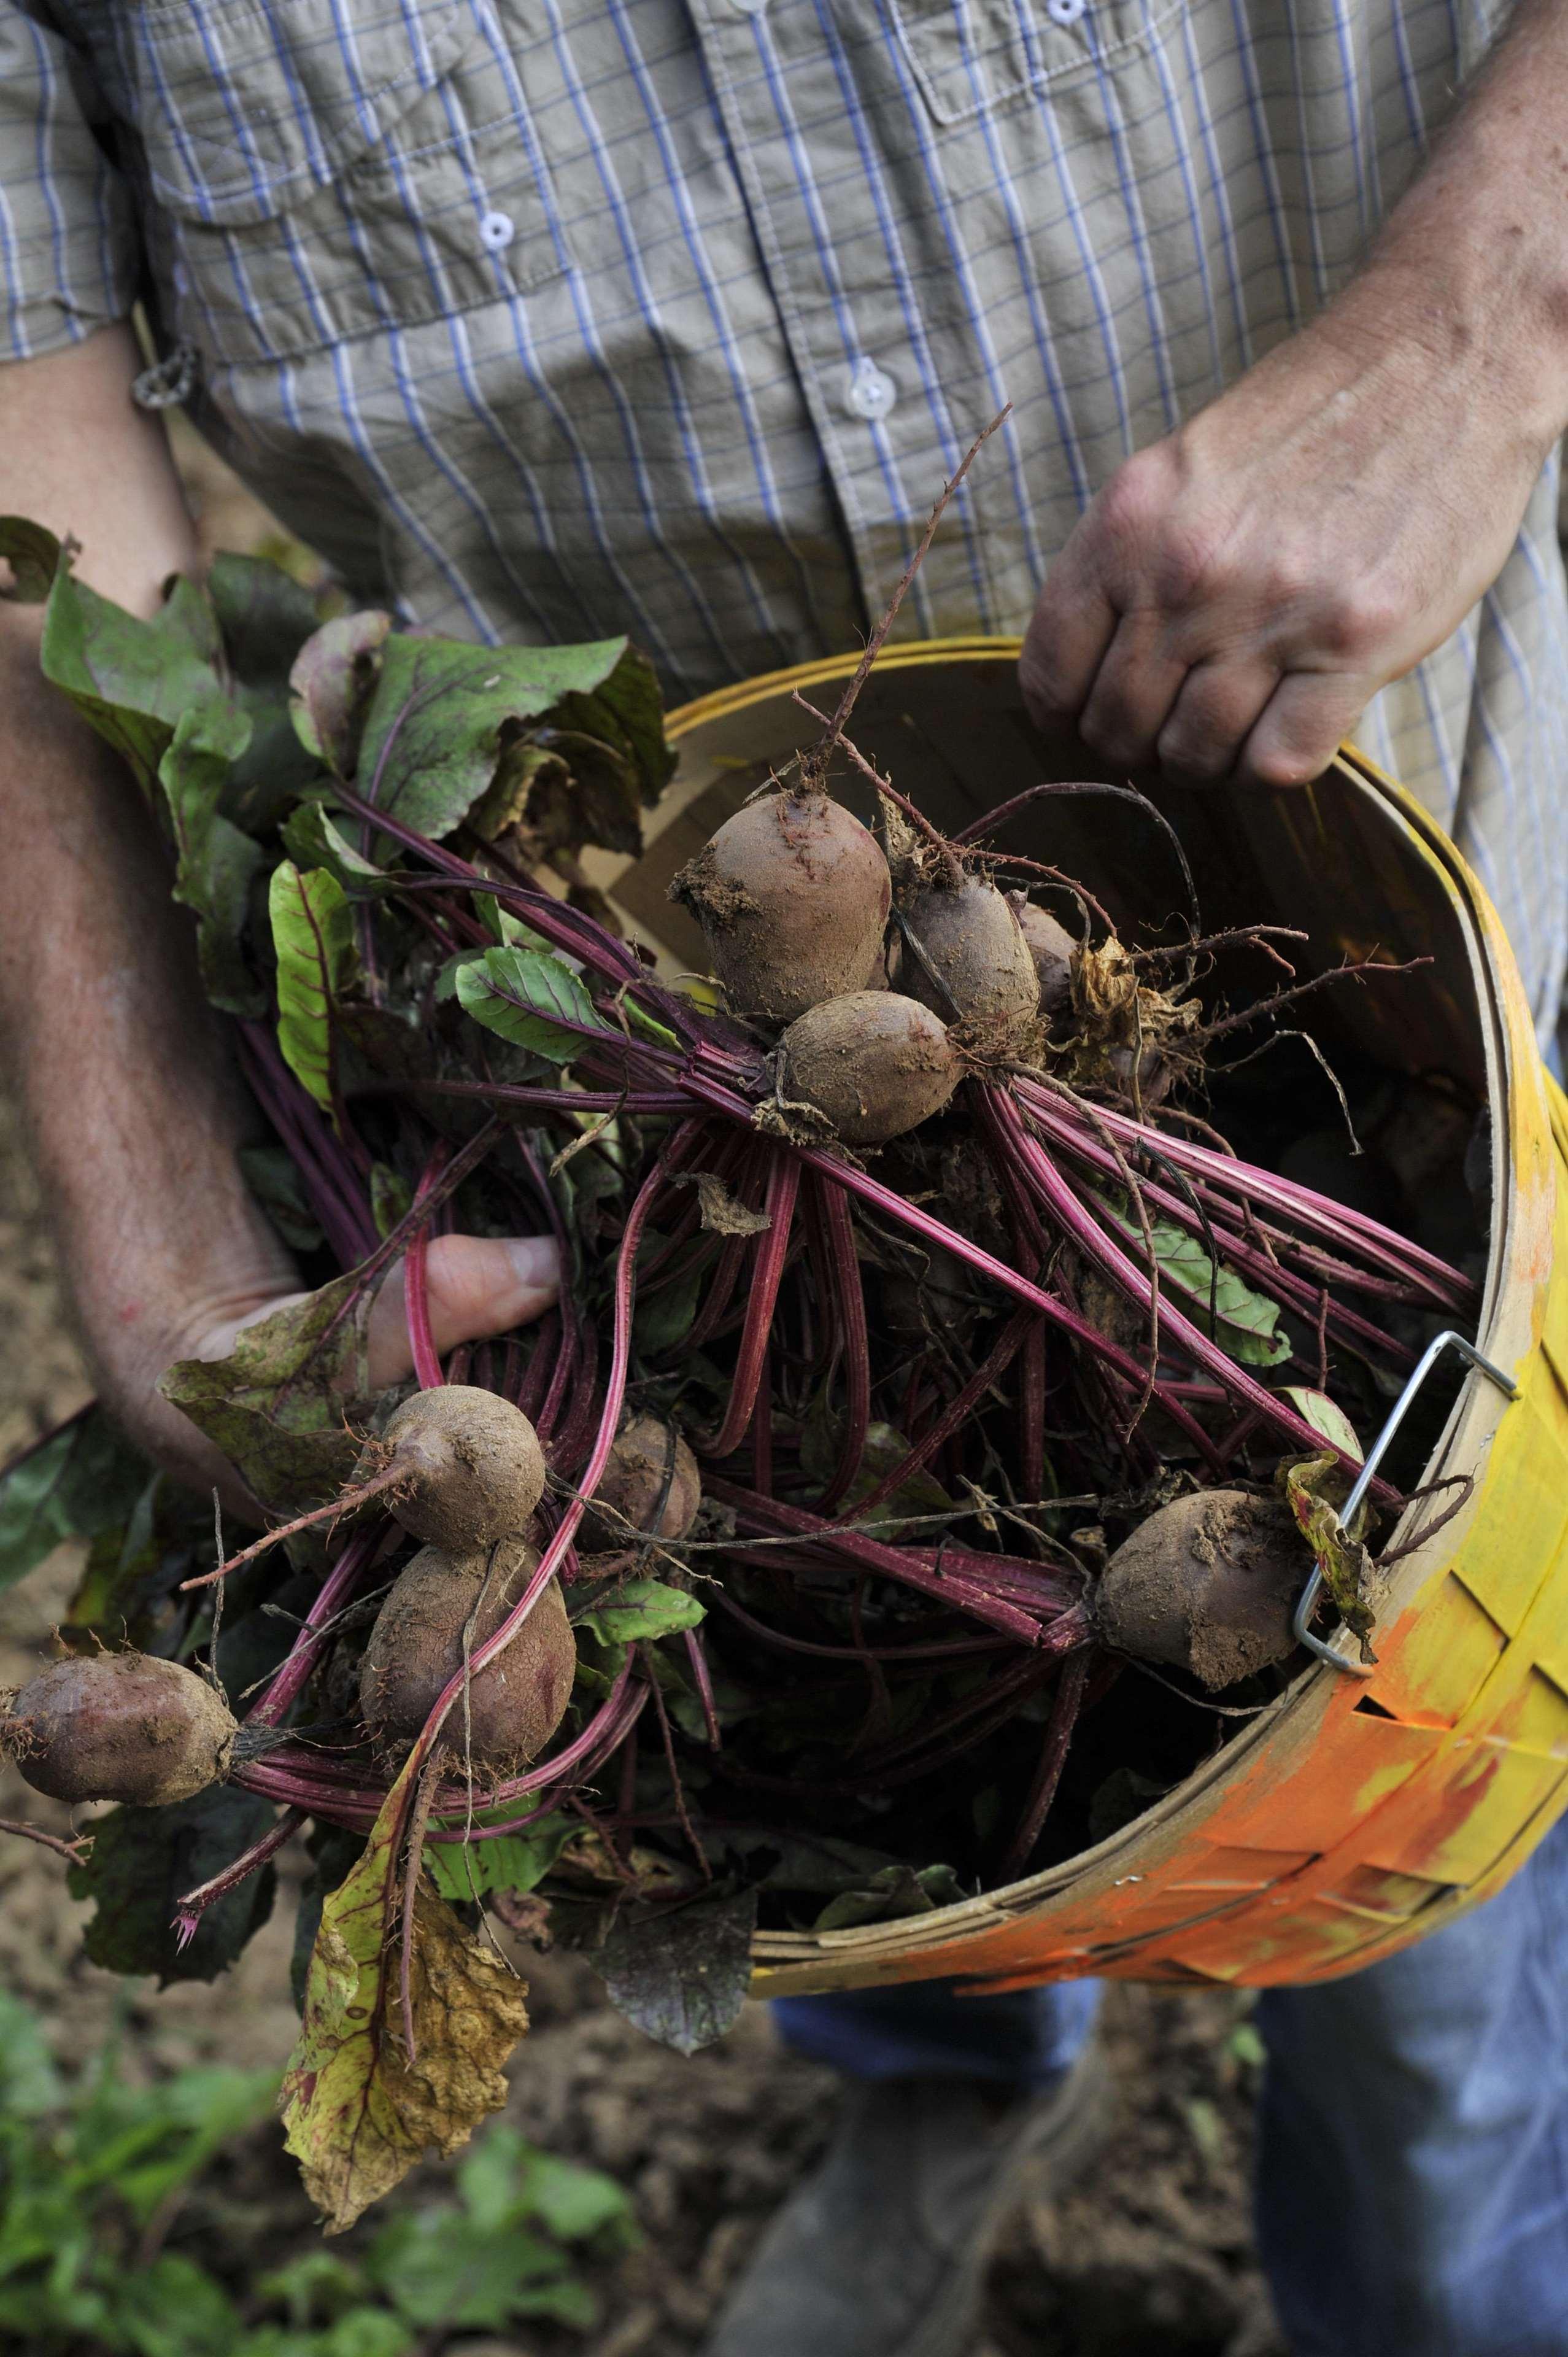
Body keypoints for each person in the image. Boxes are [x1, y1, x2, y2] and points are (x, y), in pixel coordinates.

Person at [2, 0, 1567, 2348]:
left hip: (1408, 853)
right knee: (812, 1720)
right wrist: (149, 1218)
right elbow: (29, 472)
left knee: (1419, 1901)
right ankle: (948, 2070)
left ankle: (1436, 2277)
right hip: (627, 1076)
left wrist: (1482, 313)